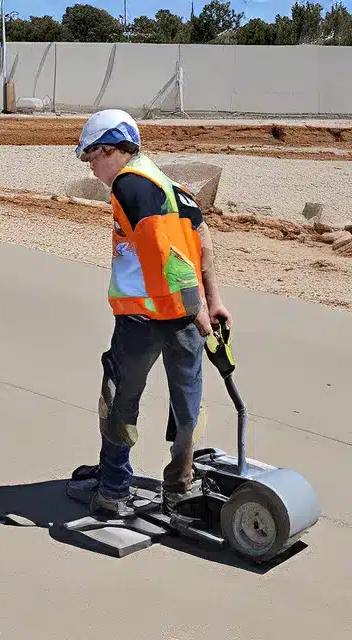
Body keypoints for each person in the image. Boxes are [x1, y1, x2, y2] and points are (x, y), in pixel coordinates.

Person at [67, 108, 231, 519]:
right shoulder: (173, 187)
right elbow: (203, 244)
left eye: (91, 158)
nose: (92, 168)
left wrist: (188, 308)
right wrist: (213, 303)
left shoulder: (129, 185)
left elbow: (163, 252)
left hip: (146, 319)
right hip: (187, 318)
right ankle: (180, 487)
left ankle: (114, 490)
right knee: (188, 401)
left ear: (110, 149)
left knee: (120, 397)